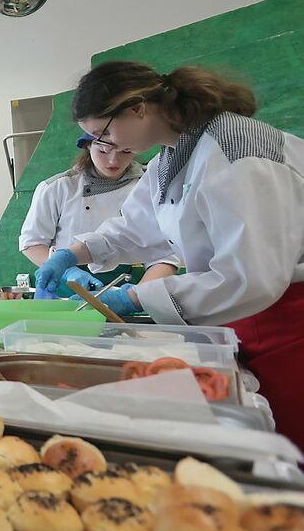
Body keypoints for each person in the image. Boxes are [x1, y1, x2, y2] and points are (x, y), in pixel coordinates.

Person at [34, 61, 304, 447]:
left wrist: (135, 297)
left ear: (138, 108)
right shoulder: (171, 157)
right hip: (245, 312)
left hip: (290, 320)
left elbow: (250, 274)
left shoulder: (235, 148)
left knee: (291, 445)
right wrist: (73, 253)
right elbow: (133, 227)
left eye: (105, 132)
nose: (107, 147)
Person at [20, 133, 179, 296]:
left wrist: (134, 297)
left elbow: (164, 255)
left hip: (125, 284)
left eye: (125, 151)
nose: (113, 161)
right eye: (103, 151)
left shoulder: (149, 185)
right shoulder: (58, 187)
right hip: (64, 286)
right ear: (88, 145)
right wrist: (67, 270)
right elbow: (32, 242)